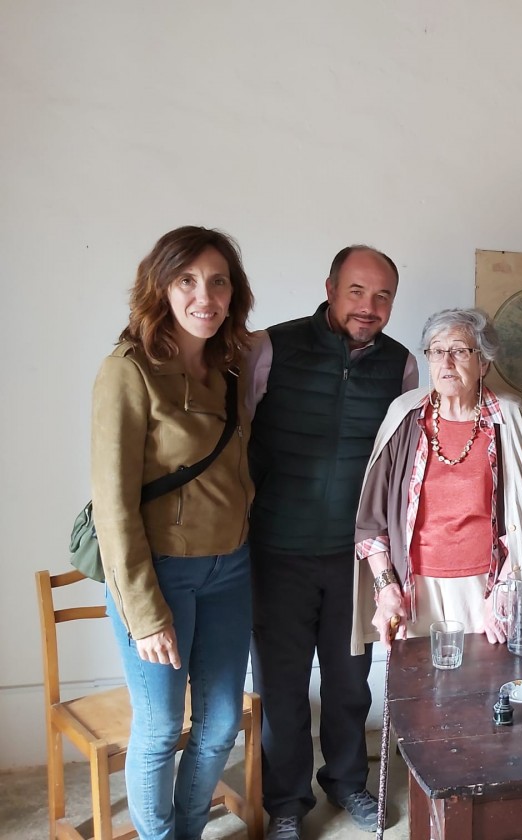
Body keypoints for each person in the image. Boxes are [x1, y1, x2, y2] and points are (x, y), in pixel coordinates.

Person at [246, 246, 418, 840]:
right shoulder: (270, 347)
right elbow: (237, 435)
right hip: (277, 548)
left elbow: (399, 468)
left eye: (383, 296)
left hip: (354, 557)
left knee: (350, 679)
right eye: (356, 291)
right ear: (329, 287)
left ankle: (347, 782)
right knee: (282, 683)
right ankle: (286, 805)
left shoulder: (402, 366)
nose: (368, 307)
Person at [91, 225, 255, 840]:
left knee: (217, 727)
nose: (204, 295)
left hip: (230, 570)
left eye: (218, 281)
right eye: (187, 280)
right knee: (161, 728)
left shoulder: (230, 367)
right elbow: (113, 507)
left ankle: (187, 832)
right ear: (160, 285)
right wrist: (144, 611)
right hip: (159, 575)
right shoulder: (127, 371)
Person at [351, 308, 522, 647]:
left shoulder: (510, 417)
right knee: (417, 694)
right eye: (436, 351)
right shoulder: (404, 416)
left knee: (484, 692)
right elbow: (371, 522)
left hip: (487, 590)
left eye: (460, 351)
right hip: (414, 590)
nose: (446, 362)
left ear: (484, 363)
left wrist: (506, 590)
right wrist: (386, 588)